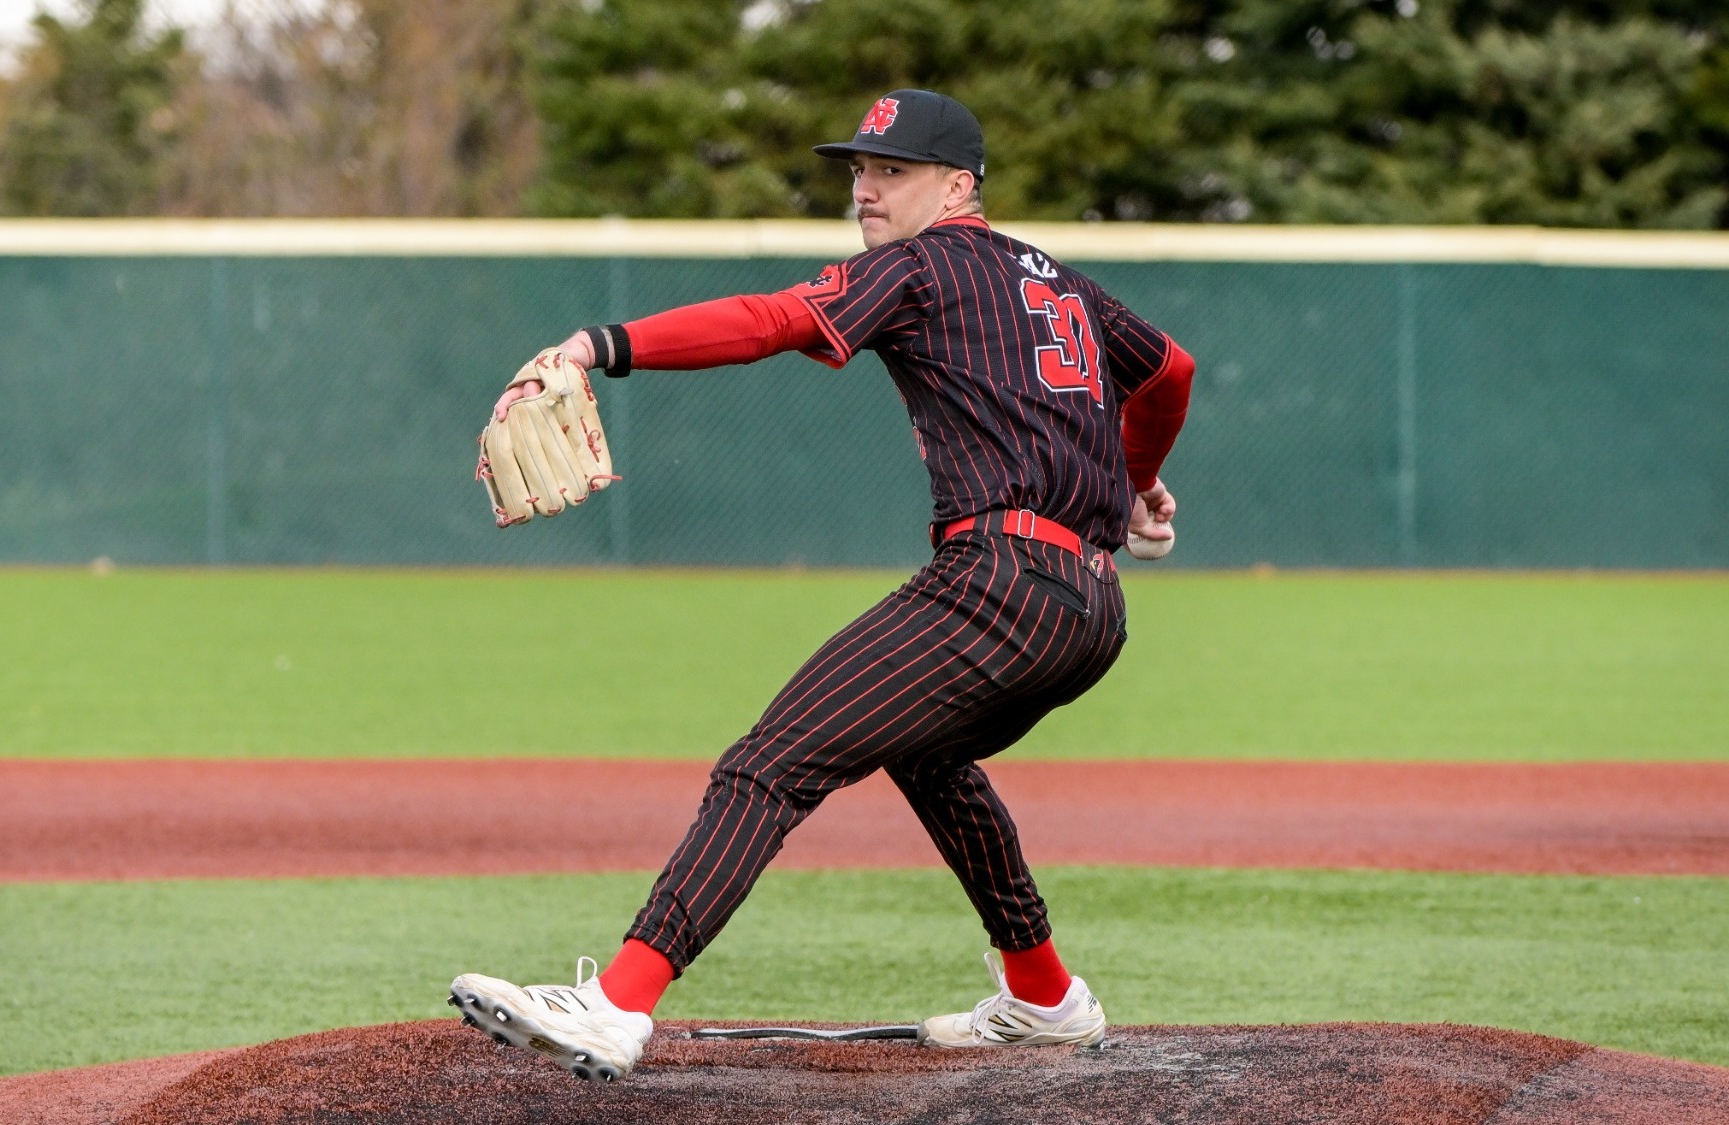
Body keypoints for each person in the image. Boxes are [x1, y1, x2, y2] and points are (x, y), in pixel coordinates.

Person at [449, 88, 1195, 1083]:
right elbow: (1169, 370)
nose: (865, 188)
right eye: (859, 169)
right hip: (1089, 606)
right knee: (925, 754)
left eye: (892, 170)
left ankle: (614, 1005)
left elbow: (773, 320)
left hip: (1000, 585)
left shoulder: (921, 265)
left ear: (957, 185)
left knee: (769, 763)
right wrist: (1137, 480)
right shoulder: (1057, 281)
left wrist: (597, 345)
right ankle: (1045, 994)